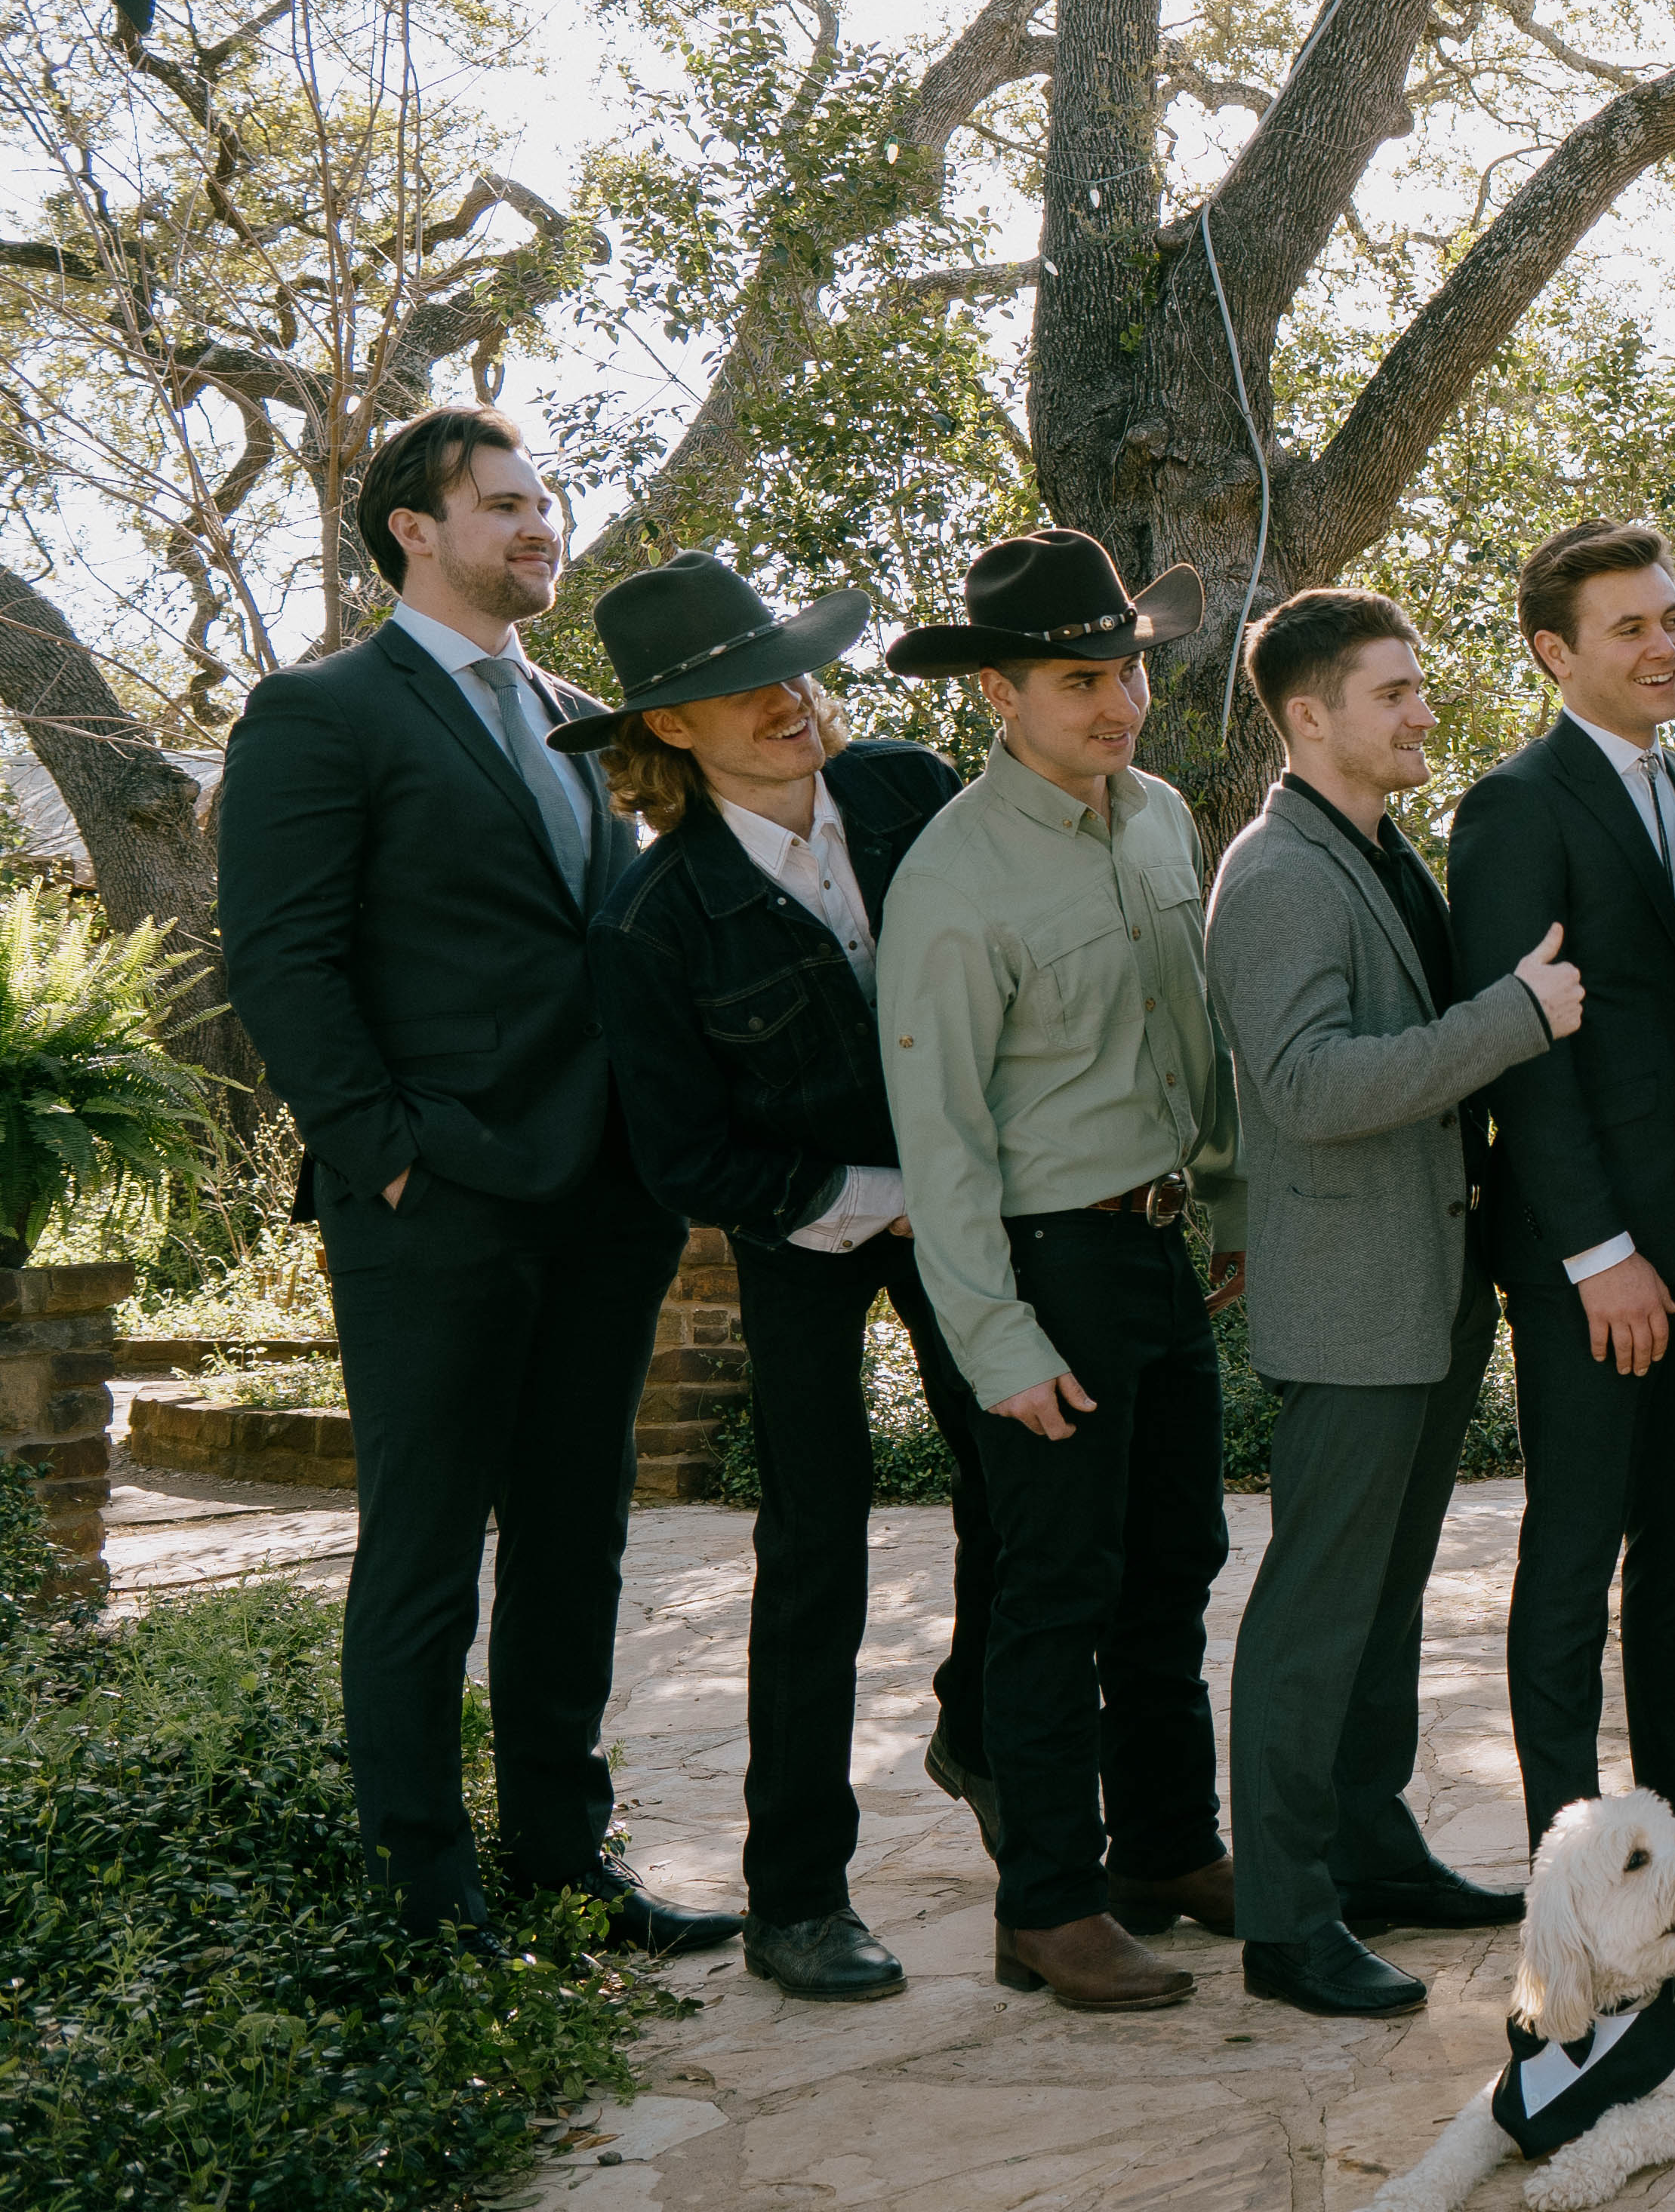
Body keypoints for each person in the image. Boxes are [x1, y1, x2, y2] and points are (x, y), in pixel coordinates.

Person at [214, 405, 724, 1955]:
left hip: (605, 1199)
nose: (538, 526)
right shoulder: (322, 712)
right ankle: (426, 1892)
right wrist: (384, 1159)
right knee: (427, 1543)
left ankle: (566, 1859)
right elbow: (281, 961)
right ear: (410, 530)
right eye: (504, 504)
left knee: (578, 1537)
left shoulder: (588, 719)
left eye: (546, 503)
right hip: (435, 1203)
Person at [579, 554, 978, 2001]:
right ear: (671, 730)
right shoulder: (652, 921)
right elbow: (688, 1161)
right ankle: (797, 1897)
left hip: (972, 1205)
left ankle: (983, 1723)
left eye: (791, 664)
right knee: (816, 1547)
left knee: (1030, 1475)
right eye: (736, 688)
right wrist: (881, 1204)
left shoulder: (907, 793)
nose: (786, 698)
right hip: (803, 1228)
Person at [874, 529, 1244, 2014]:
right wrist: (996, 1338)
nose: (1122, 700)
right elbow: (941, 1134)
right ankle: (1048, 1903)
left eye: (1131, 666)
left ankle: (1171, 1845)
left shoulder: (1158, 818)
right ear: (999, 697)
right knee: (1056, 1593)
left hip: (1159, 1249)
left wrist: (1219, 1206)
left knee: (1175, 1568)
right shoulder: (954, 876)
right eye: (1084, 677)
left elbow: (1190, 1031)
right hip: (1047, 1264)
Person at [1206, 589, 1584, 2016]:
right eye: (1394, 692)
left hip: (1422, 1293)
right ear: (1310, 716)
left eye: (1420, 687)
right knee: (1314, 1617)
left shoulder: (1369, 849)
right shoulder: (1283, 871)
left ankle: (1371, 1848)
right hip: (1355, 1303)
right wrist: (1512, 1019)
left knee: (1380, 1605)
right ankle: (1286, 1922)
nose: (1425, 710)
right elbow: (1303, 1088)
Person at [1457, 519, 1675, 1887]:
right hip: (1593, 1253)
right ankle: (1567, 1843)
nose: (1665, 645)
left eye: (1673, 618)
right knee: (1577, 1548)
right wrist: (1598, 1252)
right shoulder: (1517, 804)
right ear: (1553, 652)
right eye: (1630, 627)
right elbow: (1523, 1050)